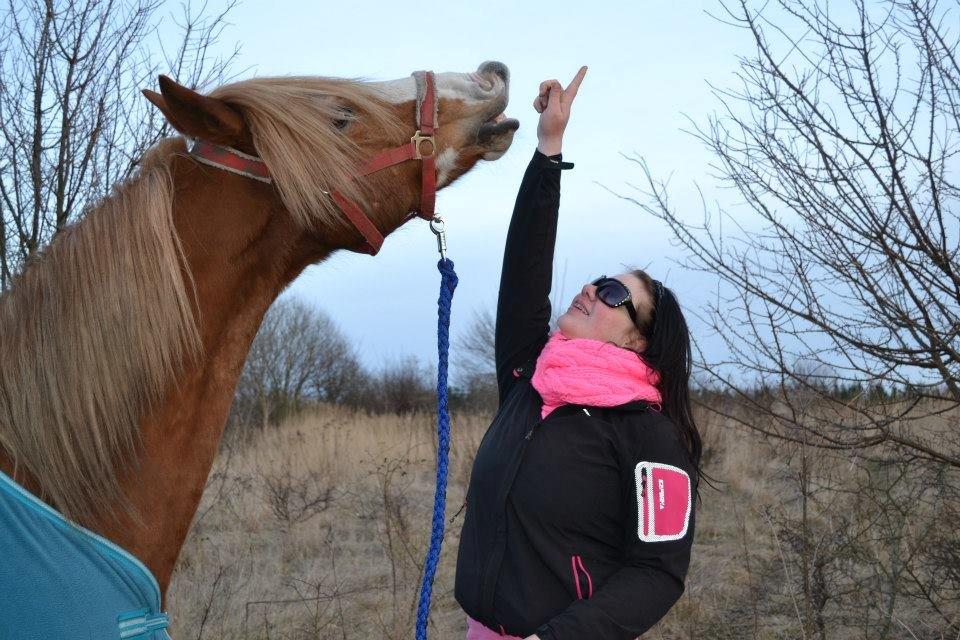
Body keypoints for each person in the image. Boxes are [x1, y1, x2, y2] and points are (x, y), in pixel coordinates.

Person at [454, 66, 703, 640]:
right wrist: (550, 147)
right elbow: (524, 274)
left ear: (637, 340)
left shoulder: (649, 435)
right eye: (598, 279)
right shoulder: (531, 379)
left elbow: (658, 573)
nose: (592, 288)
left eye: (614, 294)